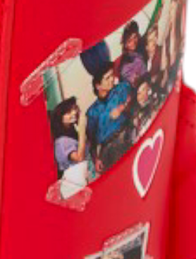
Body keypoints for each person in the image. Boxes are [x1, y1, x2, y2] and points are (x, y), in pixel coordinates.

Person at [82, 43, 133, 174]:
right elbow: (92, 140)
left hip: (128, 135)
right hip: (109, 151)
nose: (112, 80)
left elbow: (136, 101)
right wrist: (96, 159)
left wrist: (123, 108)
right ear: (98, 85)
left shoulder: (122, 88)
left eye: (112, 75)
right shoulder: (92, 112)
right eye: (107, 78)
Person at [49, 96, 86, 175]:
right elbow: (79, 158)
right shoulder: (61, 141)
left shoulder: (74, 134)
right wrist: (82, 130)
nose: (74, 112)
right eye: (68, 112)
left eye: (74, 109)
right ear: (60, 118)